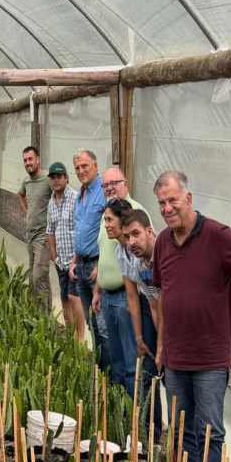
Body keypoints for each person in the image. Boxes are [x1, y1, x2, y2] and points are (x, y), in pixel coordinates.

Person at [153, 170, 231, 462]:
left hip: (210, 358)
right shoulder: (163, 242)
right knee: (182, 432)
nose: (167, 208)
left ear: (189, 199)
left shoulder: (217, 235)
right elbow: (162, 293)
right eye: (162, 203)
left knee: (209, 432)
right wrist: (162, 346)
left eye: (172, 200)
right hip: (176, 357)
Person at [92, 168, 147, 394]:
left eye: (114, 183)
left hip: (126, 298)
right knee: (116, 359)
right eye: (105, 185)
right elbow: (103, 255)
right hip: (108, 296)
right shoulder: (109, 214)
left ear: (125, 182)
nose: (109, 188)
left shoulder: (136, 214)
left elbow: (142, 261)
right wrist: (98, 289)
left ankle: (135, 409)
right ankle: (121, 407)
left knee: (131, 362)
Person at [118, 209, 162, 437]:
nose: (131, 242)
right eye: (127, 237)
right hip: (166, 331)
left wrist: (164, 346)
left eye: (136, 234)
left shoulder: (164, 256)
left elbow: (168, 304)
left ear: (149, 231)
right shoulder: (140, 265)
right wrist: (160, 346)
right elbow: (155, 306)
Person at [68, 149, 108, 369]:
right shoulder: (80, 195)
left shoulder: (104, 191)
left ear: (95, 165)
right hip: (82, 265)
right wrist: (74, 260)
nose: (81, 171)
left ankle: (110, 375)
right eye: (77, 168)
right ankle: (98, 369)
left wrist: (102, 265)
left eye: (85, 166)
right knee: (91, 321)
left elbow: (111, 231)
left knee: (103, 324)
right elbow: (81, 230)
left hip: (96, 265)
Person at [45, 162, 84, 340]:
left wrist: (77, 257)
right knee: (64, 297)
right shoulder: (51, 202)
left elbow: (81, 228)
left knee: (75, 297)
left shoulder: (76, 198)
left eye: (59, 176)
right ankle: (70, 335)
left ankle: (80, 339)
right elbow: (50, 231)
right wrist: (54, 255)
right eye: (53, 177)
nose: (56, 180)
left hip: (75, 260)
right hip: (60, 261)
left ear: (66, 178)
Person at [17, 146, 53, 309]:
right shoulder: (26, 181)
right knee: (34, 276)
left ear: (38, 160)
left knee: (39, 275)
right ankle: (36, 311)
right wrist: (27, 214)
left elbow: (60, 195)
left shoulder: (48, 179)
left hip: (43, 236)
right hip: (30, 235)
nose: (27, 163)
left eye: (30, 159)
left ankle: (45, 317)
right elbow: (20, 194)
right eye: (25, 160)